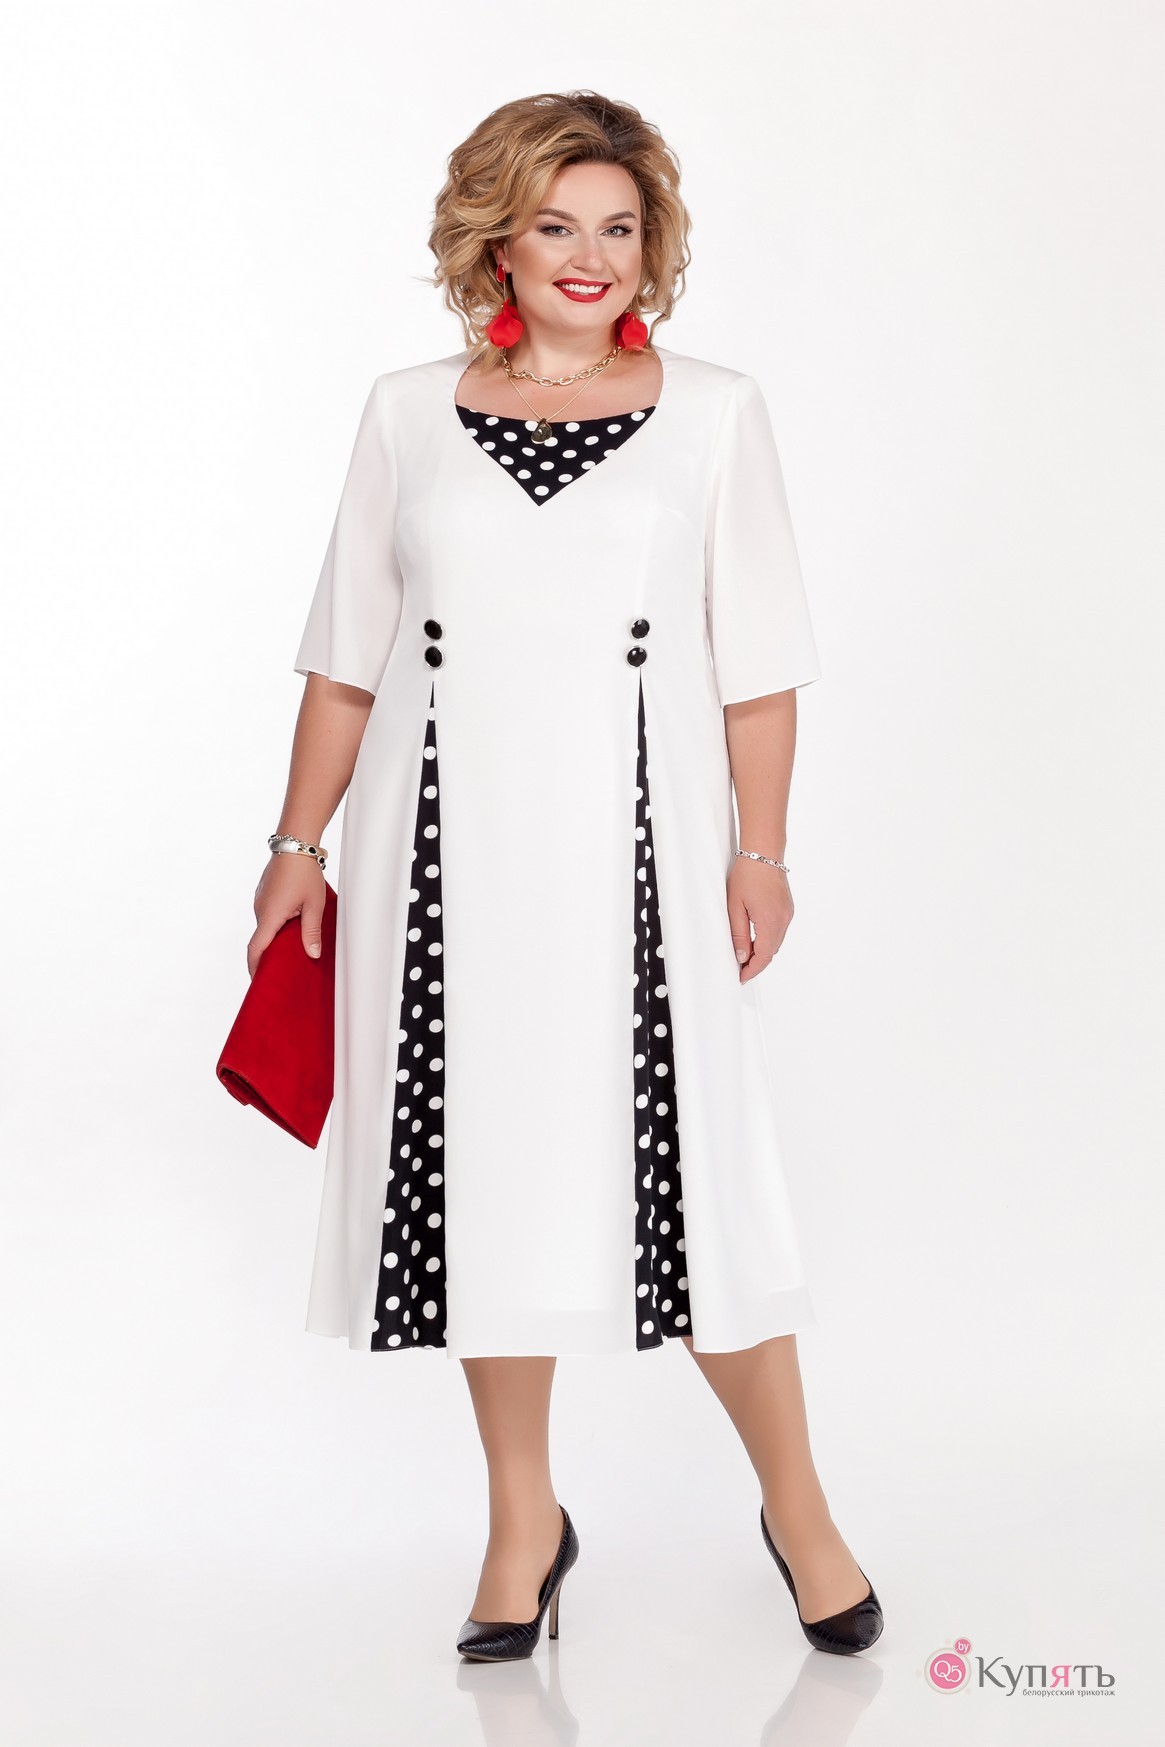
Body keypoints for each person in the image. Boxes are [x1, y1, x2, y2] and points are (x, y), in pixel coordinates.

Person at [249, 89, 883, 1662]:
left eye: (617, 226)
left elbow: (758, 666)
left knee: (701, 1189)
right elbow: (345, 658)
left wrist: (759, 853)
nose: (588, 256)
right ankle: (522, 1522)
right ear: (498, 241)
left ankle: (799, 1512)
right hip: (441, 856)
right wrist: (295, 847)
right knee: (480, 1183)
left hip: (642, 859)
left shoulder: (715, 412)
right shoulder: (405, 412)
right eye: (554, 224)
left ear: (650, 247)